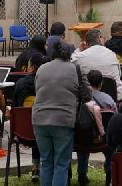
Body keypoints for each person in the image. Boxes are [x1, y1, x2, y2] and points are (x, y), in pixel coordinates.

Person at [32, 40, 91, 186]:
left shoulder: (42, 68)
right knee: (61, 163)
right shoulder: (75, 69)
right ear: (69, 53)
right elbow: (87, 95)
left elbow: (37, 90)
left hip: (39, 119)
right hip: (64, 120)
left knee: (45, 161)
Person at [78, 69, 118, 186]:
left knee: (82, 151)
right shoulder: (108, 99)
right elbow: (114, 118)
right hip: (104, 139)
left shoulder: (80, 100)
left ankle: (82, 175)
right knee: (110, 151)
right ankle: (109, 173)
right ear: (101, 83)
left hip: (82, 139)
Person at [71, 29, 122, 99]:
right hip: (115, 96)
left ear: (86, 43)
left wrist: (79, 49)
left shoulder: (80, 57)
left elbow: (71, 62)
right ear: (99, 38)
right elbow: (120, 75)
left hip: (89, 98)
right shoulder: (112, 54)